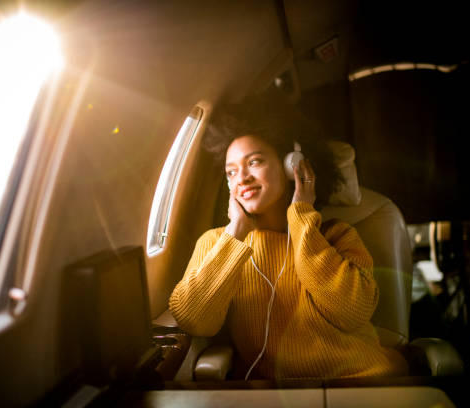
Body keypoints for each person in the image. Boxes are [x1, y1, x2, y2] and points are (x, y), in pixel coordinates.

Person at [168, 107, 408, 380]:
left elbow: (352, 312)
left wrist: (302, 217)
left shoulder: (337, 235)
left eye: (254, 162)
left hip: (369, 383)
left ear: (291, 166)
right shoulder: (217, 244)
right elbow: (193, 319)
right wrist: (236, 231)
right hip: (279, 397)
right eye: (231, 172)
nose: (242, 178)